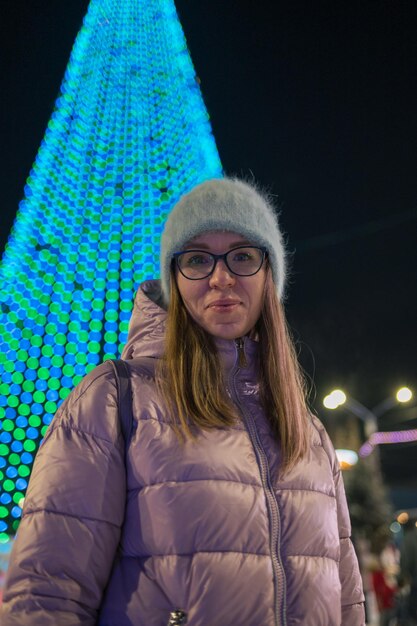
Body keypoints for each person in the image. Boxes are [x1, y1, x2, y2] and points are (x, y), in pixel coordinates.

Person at [1, 178, 365, 625]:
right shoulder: (116, 399)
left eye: (243, 256)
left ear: (269, 274)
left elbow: (347, 604)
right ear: (173, 278)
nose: (221, 277)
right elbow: (45, 593)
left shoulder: (308, 432)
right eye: (196, 259)